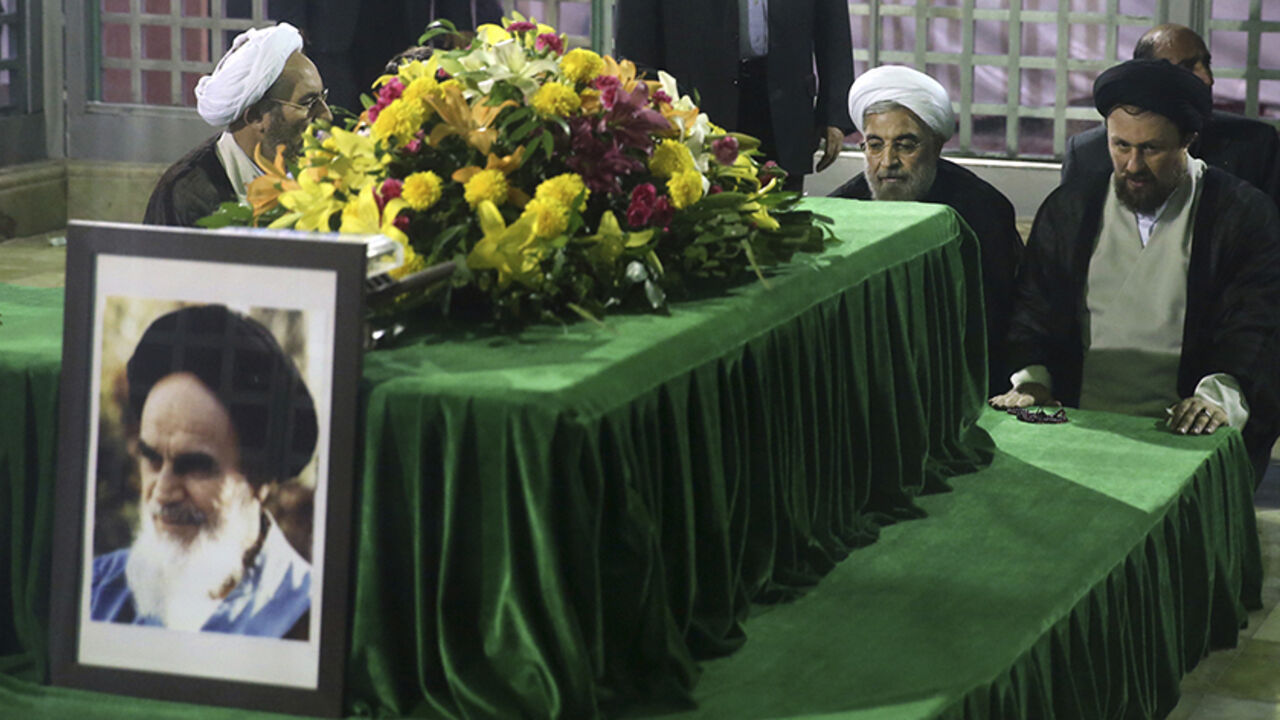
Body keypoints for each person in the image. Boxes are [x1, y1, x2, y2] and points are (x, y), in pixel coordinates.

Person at [992, 59, 1280, 481]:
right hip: (1074, 415)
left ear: (1188, 141)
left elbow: (1255, 323)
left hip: (1182, 420)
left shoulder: (1242, 215)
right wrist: (1033, 380)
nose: (1132, 165)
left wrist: (1219, 395)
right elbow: (1033, 308)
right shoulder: (1071, 209)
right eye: (1120, 146)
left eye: (1151, 149)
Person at [90, 305, 319, 637]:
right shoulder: (99, 591)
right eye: (152, 460)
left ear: (260, 478)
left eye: (195, 467)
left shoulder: (307, 618)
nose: (163, 492)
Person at [830, 65, 1023, 394]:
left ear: (936, 147)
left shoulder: (982, 211)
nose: (887, 161)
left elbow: (999, 322)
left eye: (905, 145)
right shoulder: (843, 208)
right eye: (875, 145)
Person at [615, 0, 854, 190]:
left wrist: (835, 111)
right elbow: (634, 47)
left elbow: (832, 20)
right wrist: (650, 114)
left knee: (784, 230)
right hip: (694, 113)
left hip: (785, 110)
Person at [1060, 23, 1280, 208]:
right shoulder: (1086, 154)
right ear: (1148, 75)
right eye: (1188, 67)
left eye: (1207, 64)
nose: (1207, 79)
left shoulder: (1255, 144)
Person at [143, 23, 332, 227]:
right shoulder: (186, 196)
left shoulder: (323, 172)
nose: (326, 115)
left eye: (323, 98)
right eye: (308, 103)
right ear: (256, 117)